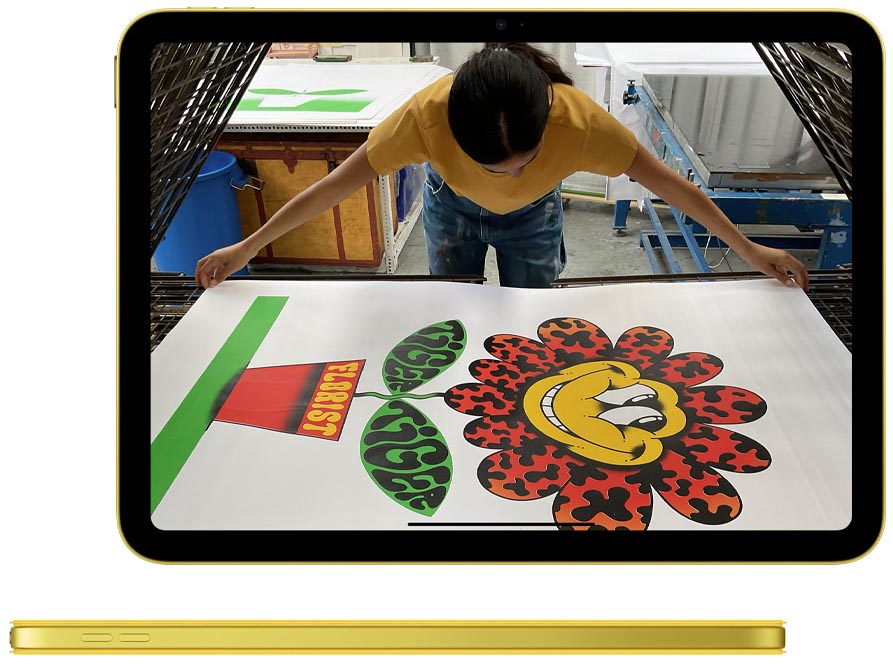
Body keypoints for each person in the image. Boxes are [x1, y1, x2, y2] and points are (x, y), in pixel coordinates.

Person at [195, 43, 809, 291]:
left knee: (532, 322)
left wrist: (749, 249)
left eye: (526, 161)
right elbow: (333, 187)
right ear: (451, 133)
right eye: (494, 164)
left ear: (548, 123)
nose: (511, 174)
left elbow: (674, 187)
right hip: (452, 212)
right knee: (451, 314)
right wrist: (248, 247)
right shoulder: (424, 117)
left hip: (536, 220)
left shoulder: (581, 124)